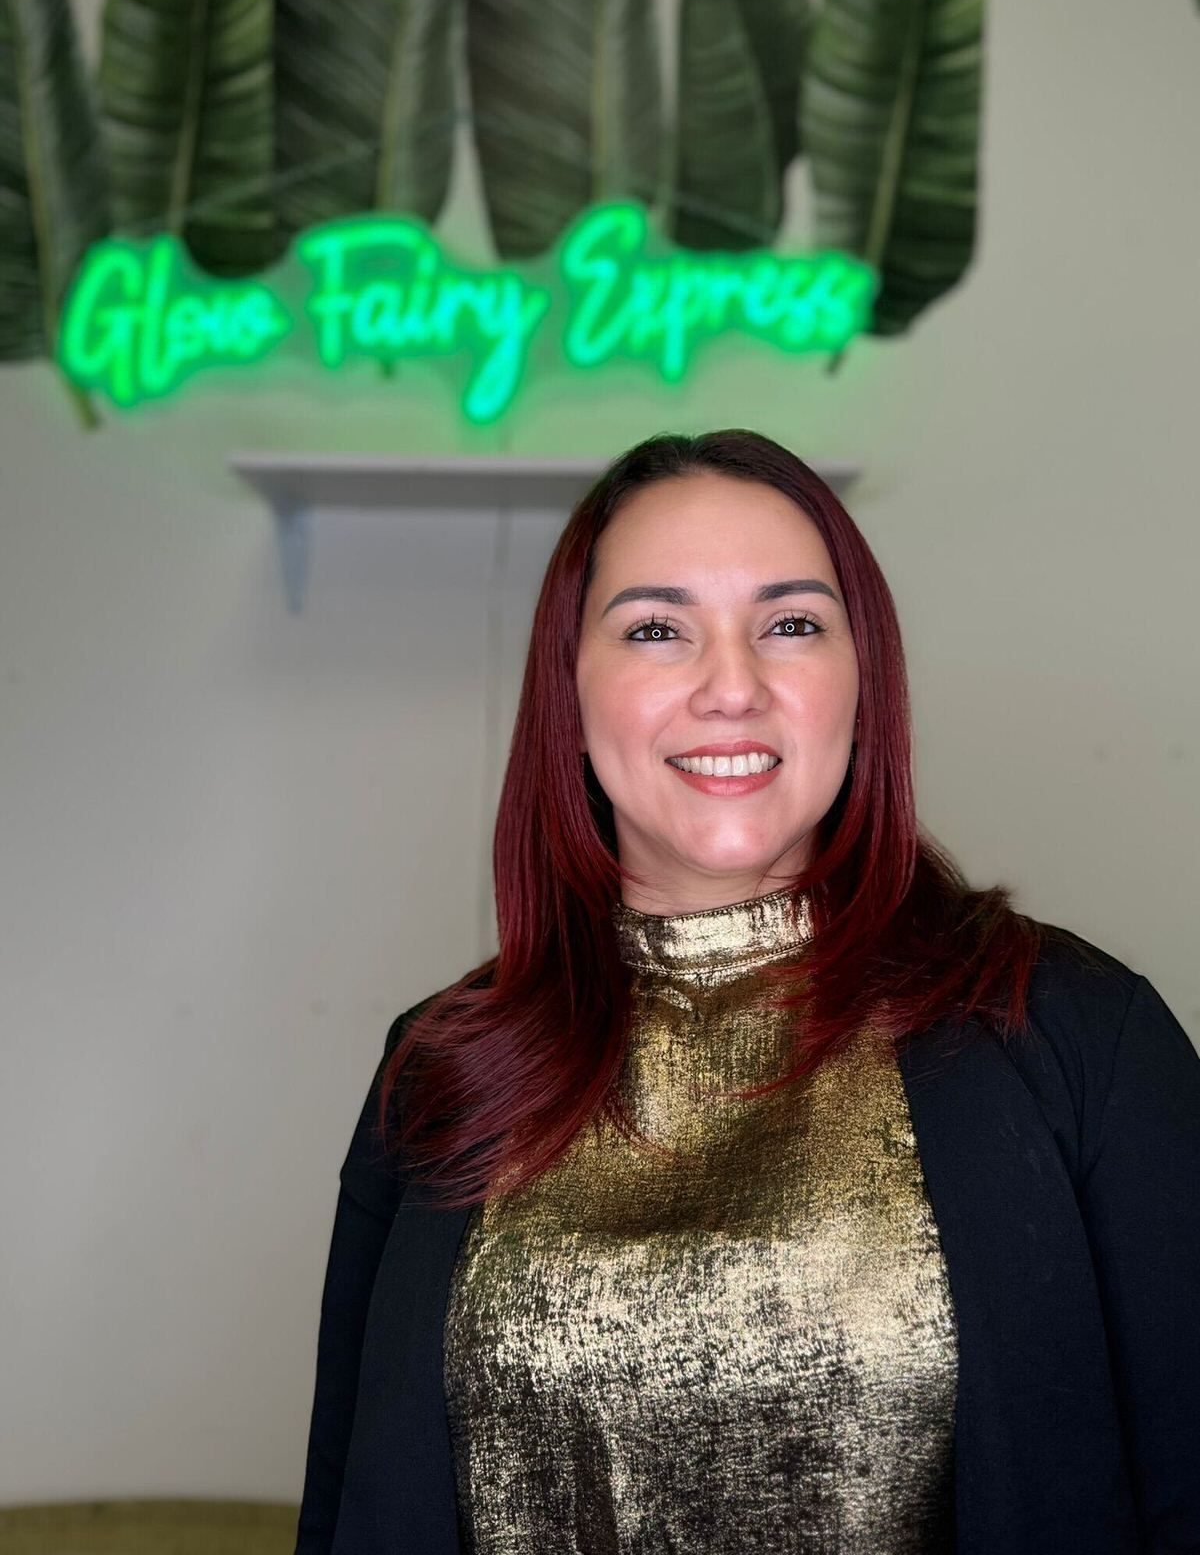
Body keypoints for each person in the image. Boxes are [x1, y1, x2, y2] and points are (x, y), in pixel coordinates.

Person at [293, 429, 1200, 1555]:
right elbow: (349, 1513)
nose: (732, 685)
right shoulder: (439, 1067)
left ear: (861, 684)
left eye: (792, 624)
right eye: (657, 629)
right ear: (569, 695)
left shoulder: (1075, 1034)